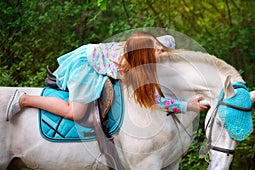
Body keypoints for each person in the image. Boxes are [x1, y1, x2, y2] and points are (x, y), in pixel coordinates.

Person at [6, 32, 209, 121]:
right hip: (86, 65)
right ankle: (25, 100)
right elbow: (154, 101)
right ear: (143, 60)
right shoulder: (130, 73)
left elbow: (170, 41)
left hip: (95, 51)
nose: (161, 50)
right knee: (75, 113)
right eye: (156, 51)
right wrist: (187, 106)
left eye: (158, 45)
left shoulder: (159, 46)